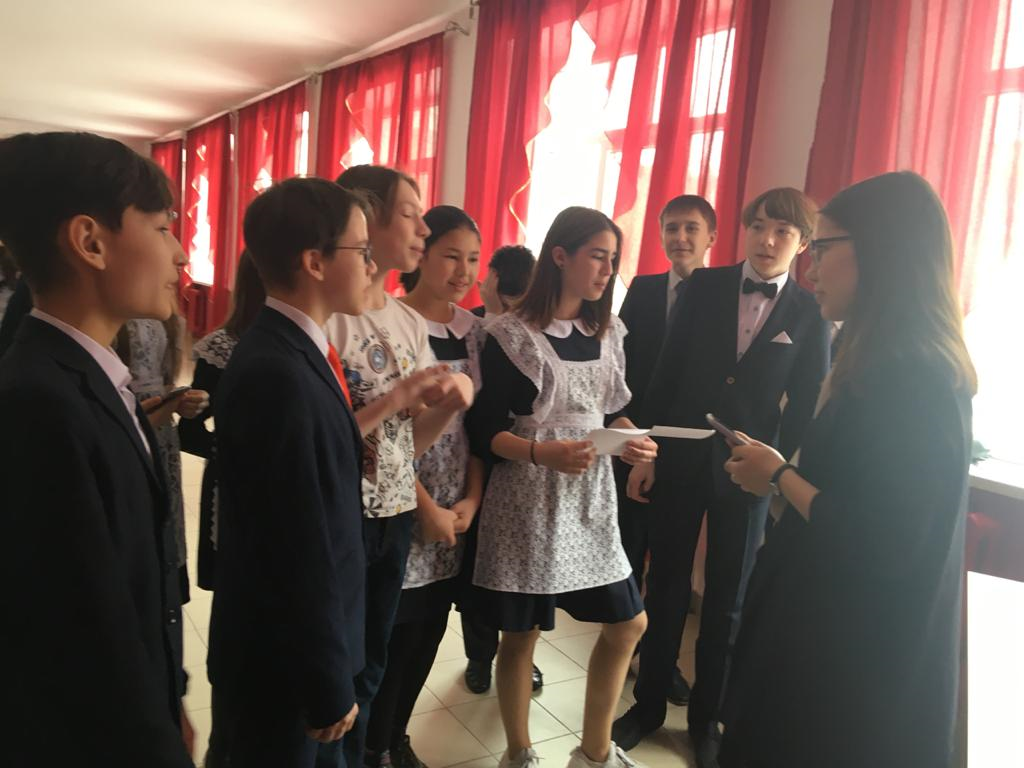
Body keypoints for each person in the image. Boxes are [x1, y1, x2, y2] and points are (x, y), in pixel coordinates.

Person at [717, 172, 975, 768]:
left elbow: (885, 536)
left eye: (825, 247)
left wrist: (777, 477)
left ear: (881, 251)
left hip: (846, 661)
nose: (810, 268)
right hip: (821, 634)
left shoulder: (916, 375)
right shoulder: (877, 355)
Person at [614, 188, 830, 766]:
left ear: (802, 245)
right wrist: (649, 452)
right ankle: (648, 705)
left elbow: (806, 406)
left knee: (728, 601)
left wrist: (777, 471)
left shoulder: (809, 312)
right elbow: (667, 373)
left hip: (749, 474)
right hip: (681, 458)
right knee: (665, 586)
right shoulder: (705, 286)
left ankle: (707, 720)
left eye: (782, 232)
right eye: (758, 226)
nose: (767, 240)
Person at [0, 131, 194, 766]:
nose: (179, 253)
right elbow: (83, 630)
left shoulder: (89, 377)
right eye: (162, 228)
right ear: (90, 241)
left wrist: (170, 698)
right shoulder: (38, 403)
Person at [469, 206, 658, 768]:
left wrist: (632, 439)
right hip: (527, 501)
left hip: (590, 502)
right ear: (560, 255)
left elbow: (612, 411)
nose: (607, 270)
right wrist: (540, 452)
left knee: (629, 623)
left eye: (613, 259)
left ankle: (594, 753)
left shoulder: (608, 332)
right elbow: (484, 431)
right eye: (597, 256)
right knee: (521, 635)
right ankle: (519, 753)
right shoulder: (509, 335)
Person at [206, 178, 374, 767]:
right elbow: (295, 545)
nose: (372, 266)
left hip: (301, 651)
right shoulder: (276, 372)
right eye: (362, 250)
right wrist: (326, 680)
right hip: (283, 665)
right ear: (314, 262)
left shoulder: (299, 351)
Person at [323, 165, 475, 768]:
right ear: (366, 218)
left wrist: (448, 406)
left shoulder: (407, 322)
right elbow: (320, 441)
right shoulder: (329, 316)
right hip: (341, 517)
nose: (423, 228)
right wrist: (397, 400)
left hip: (393, 514)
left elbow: (402, 445)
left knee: (372, 661)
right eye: (410, 214)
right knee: (333, 669)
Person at [364, 205, 488, 768]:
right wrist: (426, 509)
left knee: (430, 632)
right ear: (421, 253)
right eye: (450, 256)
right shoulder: (387, 321)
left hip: (455, 501)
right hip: (401, 497)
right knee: (389, 634)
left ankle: (396, 736)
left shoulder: (475, 331)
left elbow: (483, 426)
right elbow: (383, 436)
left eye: (473, 259)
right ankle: (372, 746)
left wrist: (470, 500)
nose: (463, 271)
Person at [616, 194, 718, 706]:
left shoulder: (723, 295)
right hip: (636, 441)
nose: (680, 237)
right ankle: (622, 649)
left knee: (671, 570)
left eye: (691, 228)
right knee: (628, 553)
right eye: (672, 227)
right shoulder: (643, 288)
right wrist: (629, 435)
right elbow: (622, 363)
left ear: (710, 237)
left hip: (688, 449)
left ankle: (661, 662)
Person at [462, 242, 542, 696]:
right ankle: (479, 655)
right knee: (479, 563)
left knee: (523, 568)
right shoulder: (473, 325)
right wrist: (493, 312)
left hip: (526, 463)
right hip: (478, 458)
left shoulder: (538, 331)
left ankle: (521, 653)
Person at [179, 251, 266, 591]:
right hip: (232, 487)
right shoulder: (222, 347)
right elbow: (189, 432)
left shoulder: (313, 344)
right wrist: (234, 452)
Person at [118, 311, 209, 602]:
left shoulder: (169, 316)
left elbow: (164, 380)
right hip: (127, 440)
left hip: (163, 439)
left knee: (165, 523)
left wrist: (181, 400)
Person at [474, 244, 536, 318]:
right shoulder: (474, 318)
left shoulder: (537, 319)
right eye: (504, 306)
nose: (507, 315)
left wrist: (493, 314)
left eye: (516, 307)